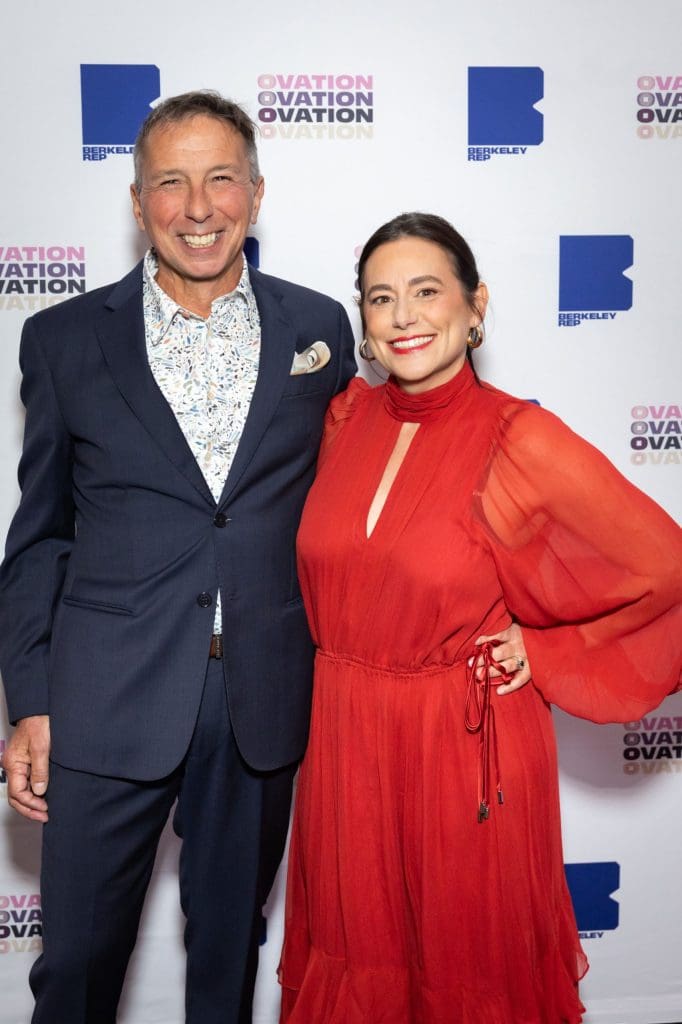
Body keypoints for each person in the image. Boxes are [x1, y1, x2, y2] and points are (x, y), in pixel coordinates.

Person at [0, 90, 356, 1023]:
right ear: (137, 202)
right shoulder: (63, 338)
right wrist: (29, 701)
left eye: (221, 179)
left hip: (262, 698)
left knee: (229, 959)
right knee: (76, 967)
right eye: (170, 182)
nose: (198, 207)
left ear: (256, 192)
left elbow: (360, 507)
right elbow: (40, 538)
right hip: (104, 695)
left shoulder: (320, 328)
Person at [278, 212, 682, 1022]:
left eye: (427, 291)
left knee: (467, 974)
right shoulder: (345, 420)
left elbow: (663, 568)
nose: (403, 316)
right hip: (347, 745)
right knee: (359, 963)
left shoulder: (517, 437)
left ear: (475, 306)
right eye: (381, 298)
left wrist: (549, 649)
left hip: (461, 752)